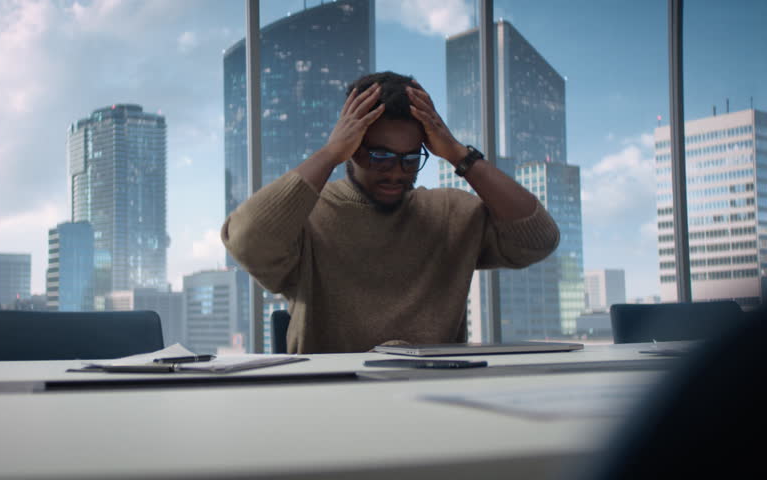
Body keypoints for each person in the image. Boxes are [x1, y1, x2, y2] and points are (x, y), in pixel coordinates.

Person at [221, 71, 560, 353]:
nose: (397, 172)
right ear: (352, 150)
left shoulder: (449, 212)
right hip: (328, 403)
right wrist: (329, 153)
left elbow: (539, 239)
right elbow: (247, 240)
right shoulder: (308, 215)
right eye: (381, 157)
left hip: (435, 399)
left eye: (410, 159)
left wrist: (459, 155)